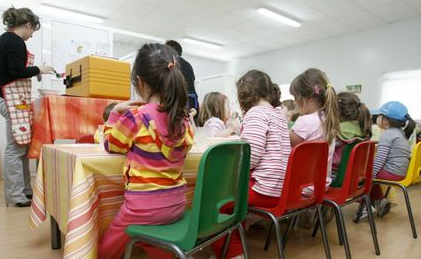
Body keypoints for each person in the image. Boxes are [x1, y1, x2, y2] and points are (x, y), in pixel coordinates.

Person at [98, 43, 194, 259]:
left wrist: (114, 114)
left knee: (104, 252)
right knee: (156, 240)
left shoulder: (136, 117)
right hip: (176, 205)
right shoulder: (184, 120)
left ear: (140, 82)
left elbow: (110, 144)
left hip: (142, 210)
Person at [211, 70, 291, 259]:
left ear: (244, 94)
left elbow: (251, 156)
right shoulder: (278, 114)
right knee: (230, 201)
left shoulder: (256, 113)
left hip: (263, 189)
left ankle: (232, 253)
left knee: (216, 203)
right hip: (281, 189)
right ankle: (229, 247)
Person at [0, 7, 54, 207]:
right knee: (16, 148)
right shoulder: (14, 41)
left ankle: (25, 191)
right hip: (10, 100)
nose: (32, 35)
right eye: (33, 30)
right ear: (28, 24)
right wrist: (40, 69)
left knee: (23, 146)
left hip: (10, 99)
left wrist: (33, 71)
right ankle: (15, 196)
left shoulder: (6, 40)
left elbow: (13, 70)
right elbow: (17, 70)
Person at [361, 101, 415, 219]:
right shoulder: (400, 133)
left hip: (392, 172)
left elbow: (380, 158)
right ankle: (380, 202)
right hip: (401, 172)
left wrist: (370, 175)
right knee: (371, 176)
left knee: (362, 174)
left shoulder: (388, 134)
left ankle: (366, 206)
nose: (377, 118)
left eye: (379, 115)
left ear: (386, 120)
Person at [289, 68, 339, 189]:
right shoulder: (327, 119)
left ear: (309, 97)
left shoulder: (305, 121)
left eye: (296, 97)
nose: (295, 102)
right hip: (321, 185)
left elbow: (283, 142)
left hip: (301, 188)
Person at [331, 92, 372, 185]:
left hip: (336, 177)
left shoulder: (338, 131)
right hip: (355, 177)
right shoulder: (362, 129)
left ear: (336, 112)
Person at [165, 40, 198, 118]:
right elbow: (193, 84)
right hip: (193, 102)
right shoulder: (188, 65)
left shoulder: (171, 63)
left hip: (179, 103)